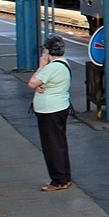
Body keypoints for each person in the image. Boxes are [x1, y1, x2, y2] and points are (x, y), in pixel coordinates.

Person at [28, 35, 72, 192]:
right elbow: (42, 83)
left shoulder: (51, 68)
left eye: (44, 50)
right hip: (60, 108)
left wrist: (41, 67)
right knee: (59, 144)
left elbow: (32, 82)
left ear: (47, 51)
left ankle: (58, 181)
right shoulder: (63, 64)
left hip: (49, 111)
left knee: (51, 146)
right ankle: (65, 178)